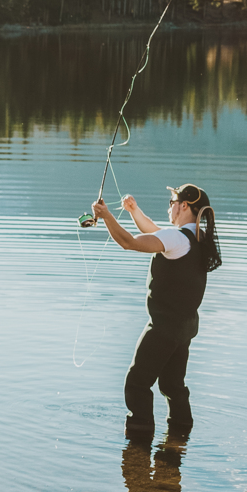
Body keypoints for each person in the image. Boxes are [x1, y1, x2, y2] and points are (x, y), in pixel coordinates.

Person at [91, 184, 221, 435]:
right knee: (173, 386)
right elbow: (155, 231)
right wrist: (134, 211)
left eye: (172, 202)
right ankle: (179, 438)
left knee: (137, 383)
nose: (169, 207)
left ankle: (139, 441)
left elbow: (129, 243)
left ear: (184, 206)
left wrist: (106, 216)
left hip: (163, 328)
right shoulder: (197, 237)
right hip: (185, 327)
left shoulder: (176, 238)